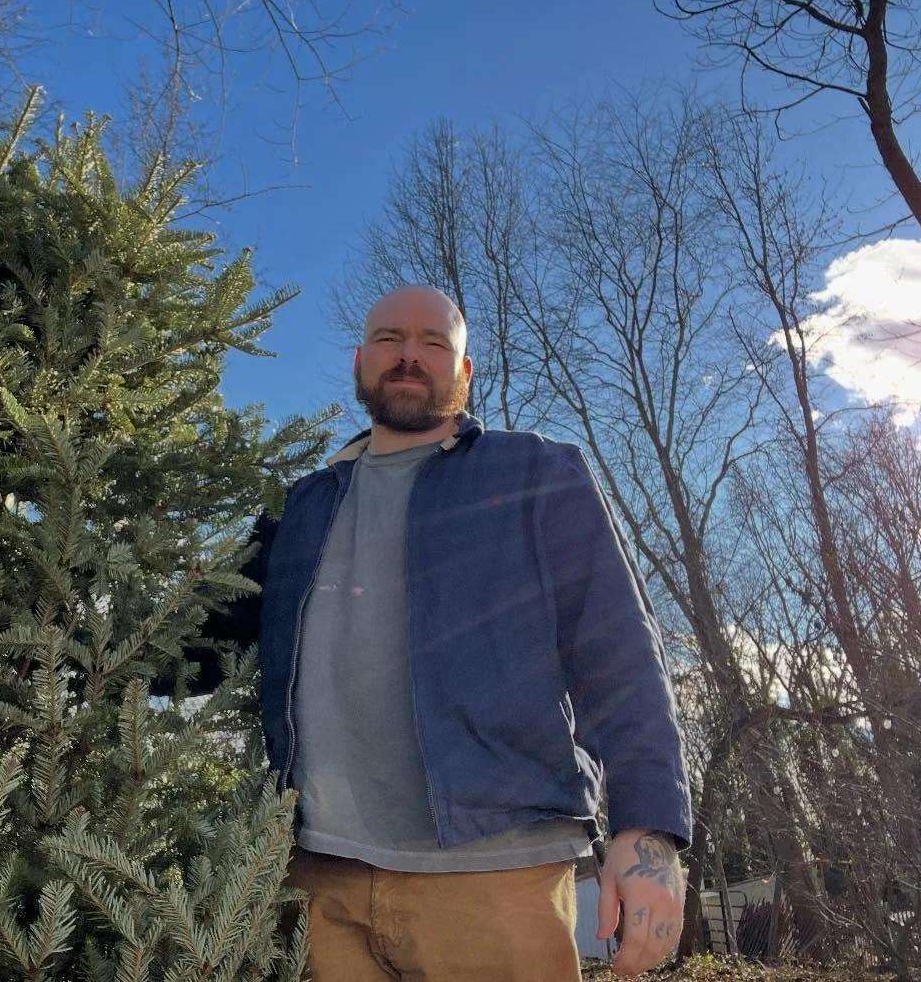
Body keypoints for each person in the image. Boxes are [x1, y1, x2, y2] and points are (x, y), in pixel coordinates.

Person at [197, 286, 690, 981]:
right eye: (391, 339)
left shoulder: (535, 474)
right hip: (318, 881)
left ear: (464, 373)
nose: (410, 355)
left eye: (435, 343)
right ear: (360, 360)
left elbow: (620, 655)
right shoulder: (301, 507)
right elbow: (206, 643)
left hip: (494, 876)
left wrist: (650, 835)